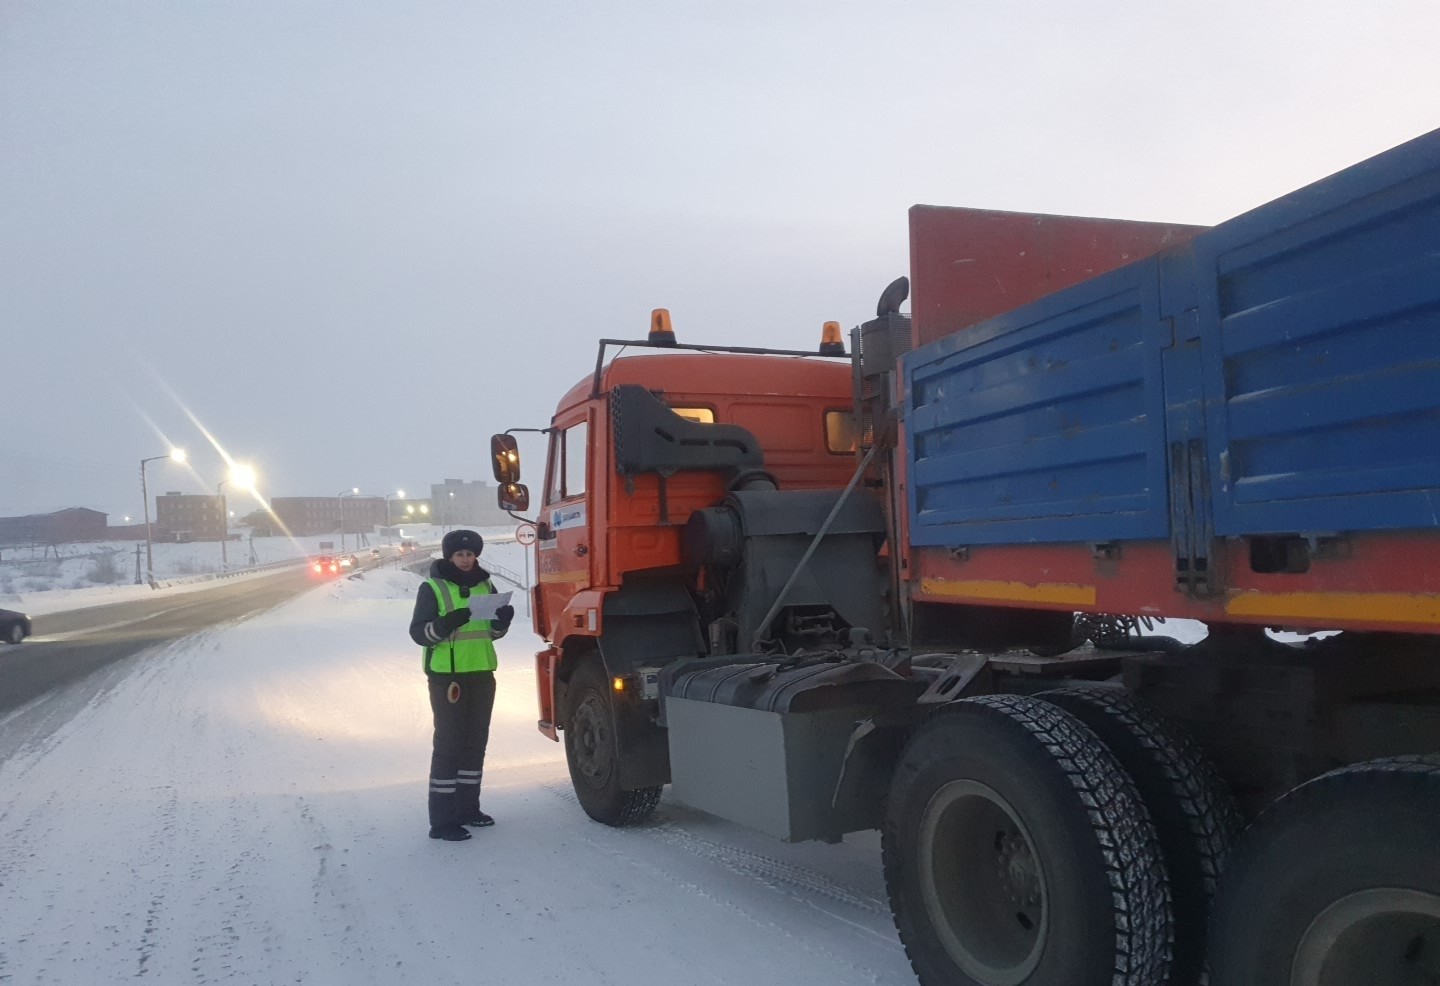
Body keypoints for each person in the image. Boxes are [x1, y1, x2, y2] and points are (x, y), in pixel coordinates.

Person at [408, 529, 515, 842]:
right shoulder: (433, 588)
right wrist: (446, 623)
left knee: (474, 743)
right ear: (449, 557)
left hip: (482, 673)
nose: (466, 560)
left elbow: (489, 634)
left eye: (470, 554)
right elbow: (419, 634)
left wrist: (501, 622)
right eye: (460, 555)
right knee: (449, 746)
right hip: (447, 677)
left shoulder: (485, 584)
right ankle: (442, 821)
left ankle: (468, 809)